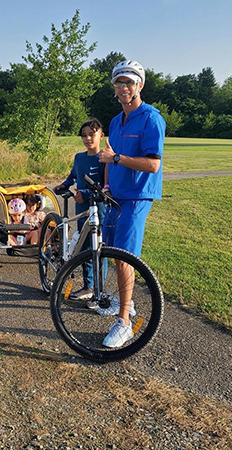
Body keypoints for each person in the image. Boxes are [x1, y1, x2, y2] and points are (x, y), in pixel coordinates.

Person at [98, 60, 166, 348]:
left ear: (140, 85)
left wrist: (116, 159)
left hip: (137, 197)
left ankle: (124, 322)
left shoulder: (151, 119)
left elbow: (152, 164)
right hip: (115, 196)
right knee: (114, 253)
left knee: (125, 256)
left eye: (129, 82)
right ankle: (127, 303)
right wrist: (105, 186)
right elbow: (110, 155)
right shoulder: (116, 121)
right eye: (119, 83)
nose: (124, 87)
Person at [53, 118, 106, 299]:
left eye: (92, 134)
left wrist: (84, 191)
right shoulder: (79, 158)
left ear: (101, 135)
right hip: (82, 209)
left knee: (98, 249)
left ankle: (100, 290)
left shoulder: (104, 159)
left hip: (99, 210)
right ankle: (88, 286)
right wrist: (63, 185)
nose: (88, 139)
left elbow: (104, 185)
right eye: (84, 135)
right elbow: (72, 177)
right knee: (84, 248)